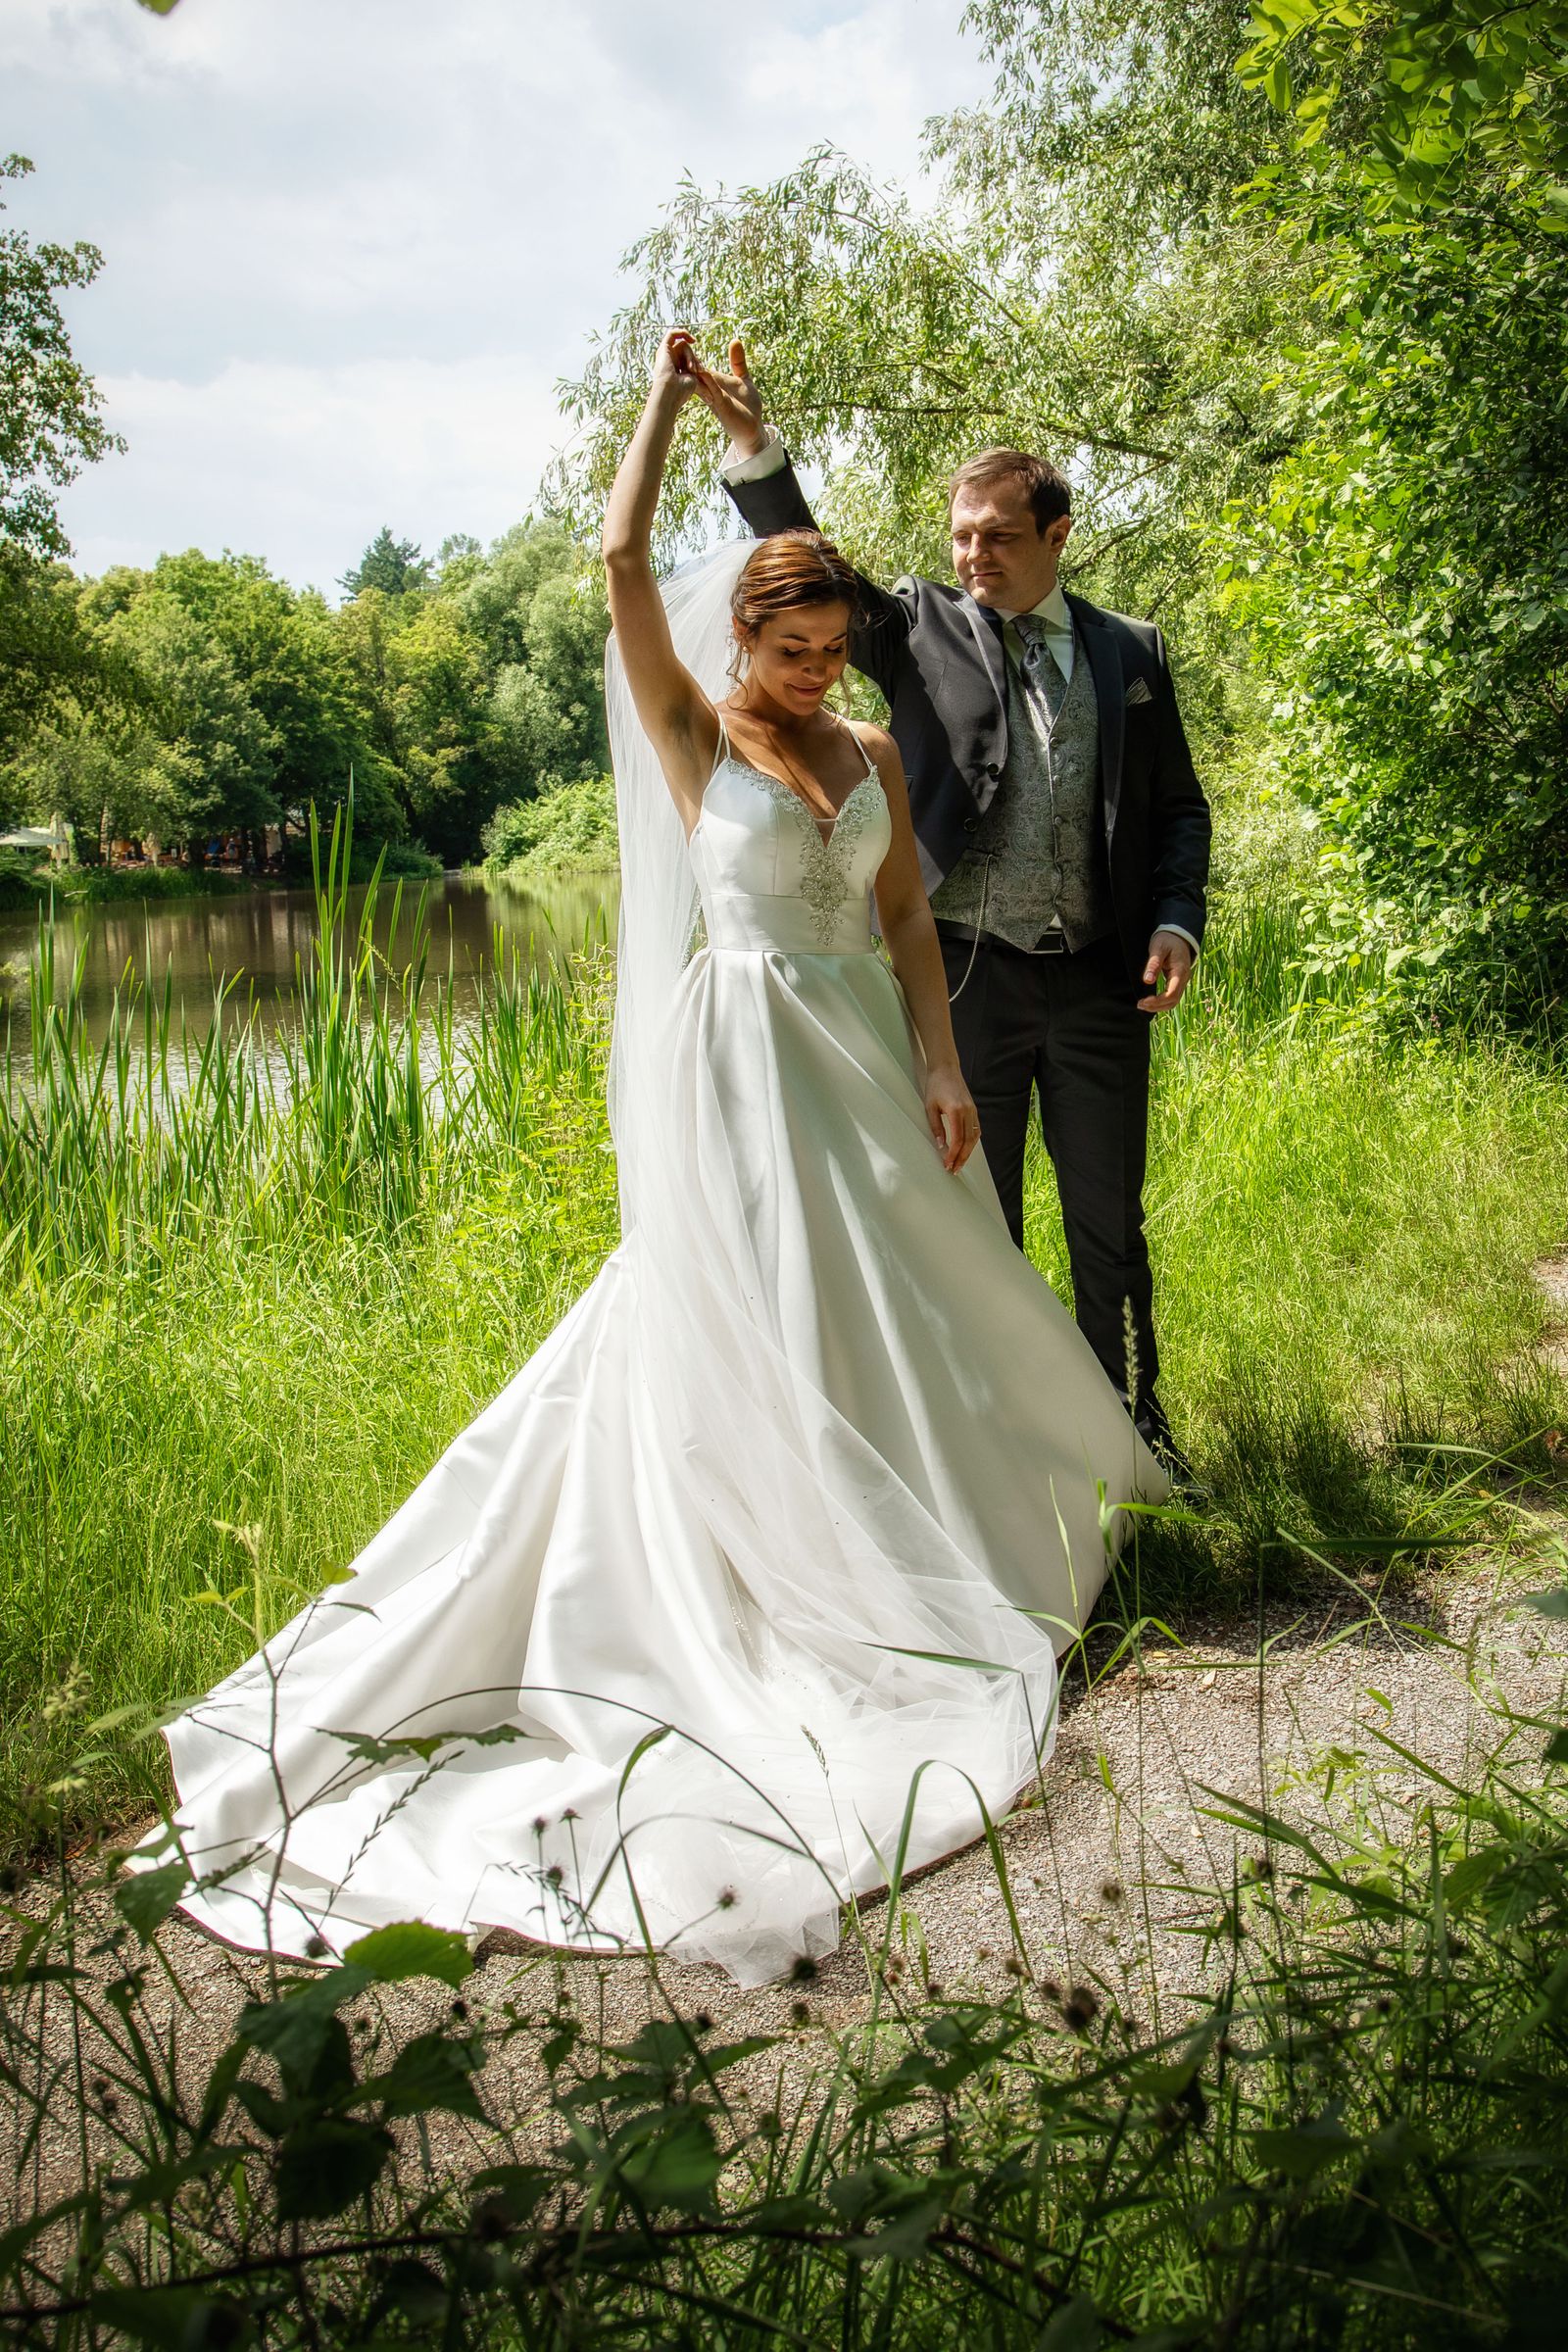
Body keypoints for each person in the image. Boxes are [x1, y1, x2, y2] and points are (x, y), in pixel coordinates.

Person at [133, 334, 1164, 1989]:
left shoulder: (876, 757)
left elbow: (905, 919)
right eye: (800, 646)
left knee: (910, 1305)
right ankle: (755, 1578)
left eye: (838, 648)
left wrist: (945, 1065)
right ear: (742, 638)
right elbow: (619, 558)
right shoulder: (697, 731)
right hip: (747, 1061)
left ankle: (961, 1534)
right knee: (745, 1312)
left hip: (867, 1068)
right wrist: (673, 410)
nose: (824, 671)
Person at [703, 345, 1211, 1477]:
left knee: (1108, 1227)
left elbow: (1178, 808)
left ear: (1055, 537)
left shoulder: (1132, 652)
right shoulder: (919, 628)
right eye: (960, 533)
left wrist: (1177, 920)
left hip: (1096, 980)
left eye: (997, 534)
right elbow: (808, 562)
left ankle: (1134, 1433)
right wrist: (753, 449)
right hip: (967, 977)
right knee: (979, 1232)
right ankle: (1014, 1456)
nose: (971, 552)